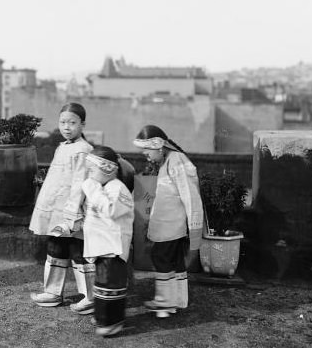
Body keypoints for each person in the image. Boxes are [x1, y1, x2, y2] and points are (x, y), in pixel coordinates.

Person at [29, 102, 95, 314]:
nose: (67, 127)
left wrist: (74, 213)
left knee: (78, 252)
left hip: (74, 212)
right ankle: (53, 292)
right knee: (55, 249)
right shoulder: (62, 147)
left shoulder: (84, 150)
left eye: (73, 123)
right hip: (56, 210)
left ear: (82, 125)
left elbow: (79, 184)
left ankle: (89, 296)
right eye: (63, 122)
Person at [133, 125, 203, 317]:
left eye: (147, 149)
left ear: (159, 146)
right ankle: (178, 300)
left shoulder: (176, 161)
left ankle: (164, 303)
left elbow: (190, 196)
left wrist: (194, 226)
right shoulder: (169, 161)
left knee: (161, 258)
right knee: (175, 261)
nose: (145, 154)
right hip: (171, 224)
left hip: (172, 226)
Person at [81, 146, 134, 337]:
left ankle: (111, 321)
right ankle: (103, 315)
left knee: (111, 284)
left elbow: (111, 211)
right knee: (102, 283)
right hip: (102, 248)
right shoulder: (104, 187)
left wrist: (92, 189)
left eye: (92, 170)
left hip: (113, 248)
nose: (89, 175)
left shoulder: (118, 188)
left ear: (107, 169)